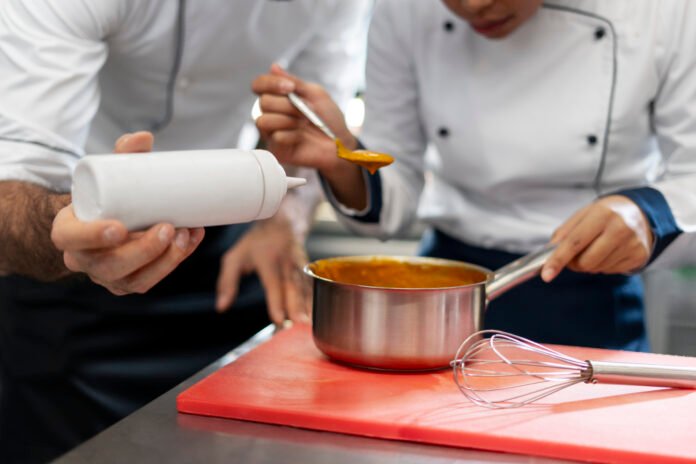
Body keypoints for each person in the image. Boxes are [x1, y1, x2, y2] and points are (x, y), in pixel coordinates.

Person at [0, 1, 369, 462]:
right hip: (67, 255)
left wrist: (284, 215)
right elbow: (13, 181)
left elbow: (310, 128)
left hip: (221, 257)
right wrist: (71, 237)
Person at [253, 0, 696, 353]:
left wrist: (644, 212)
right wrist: (340, 157)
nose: (475, 4)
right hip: (444, 299)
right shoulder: (404, 10)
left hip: (591, 304)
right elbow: (396, 185)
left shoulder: (665, 10)